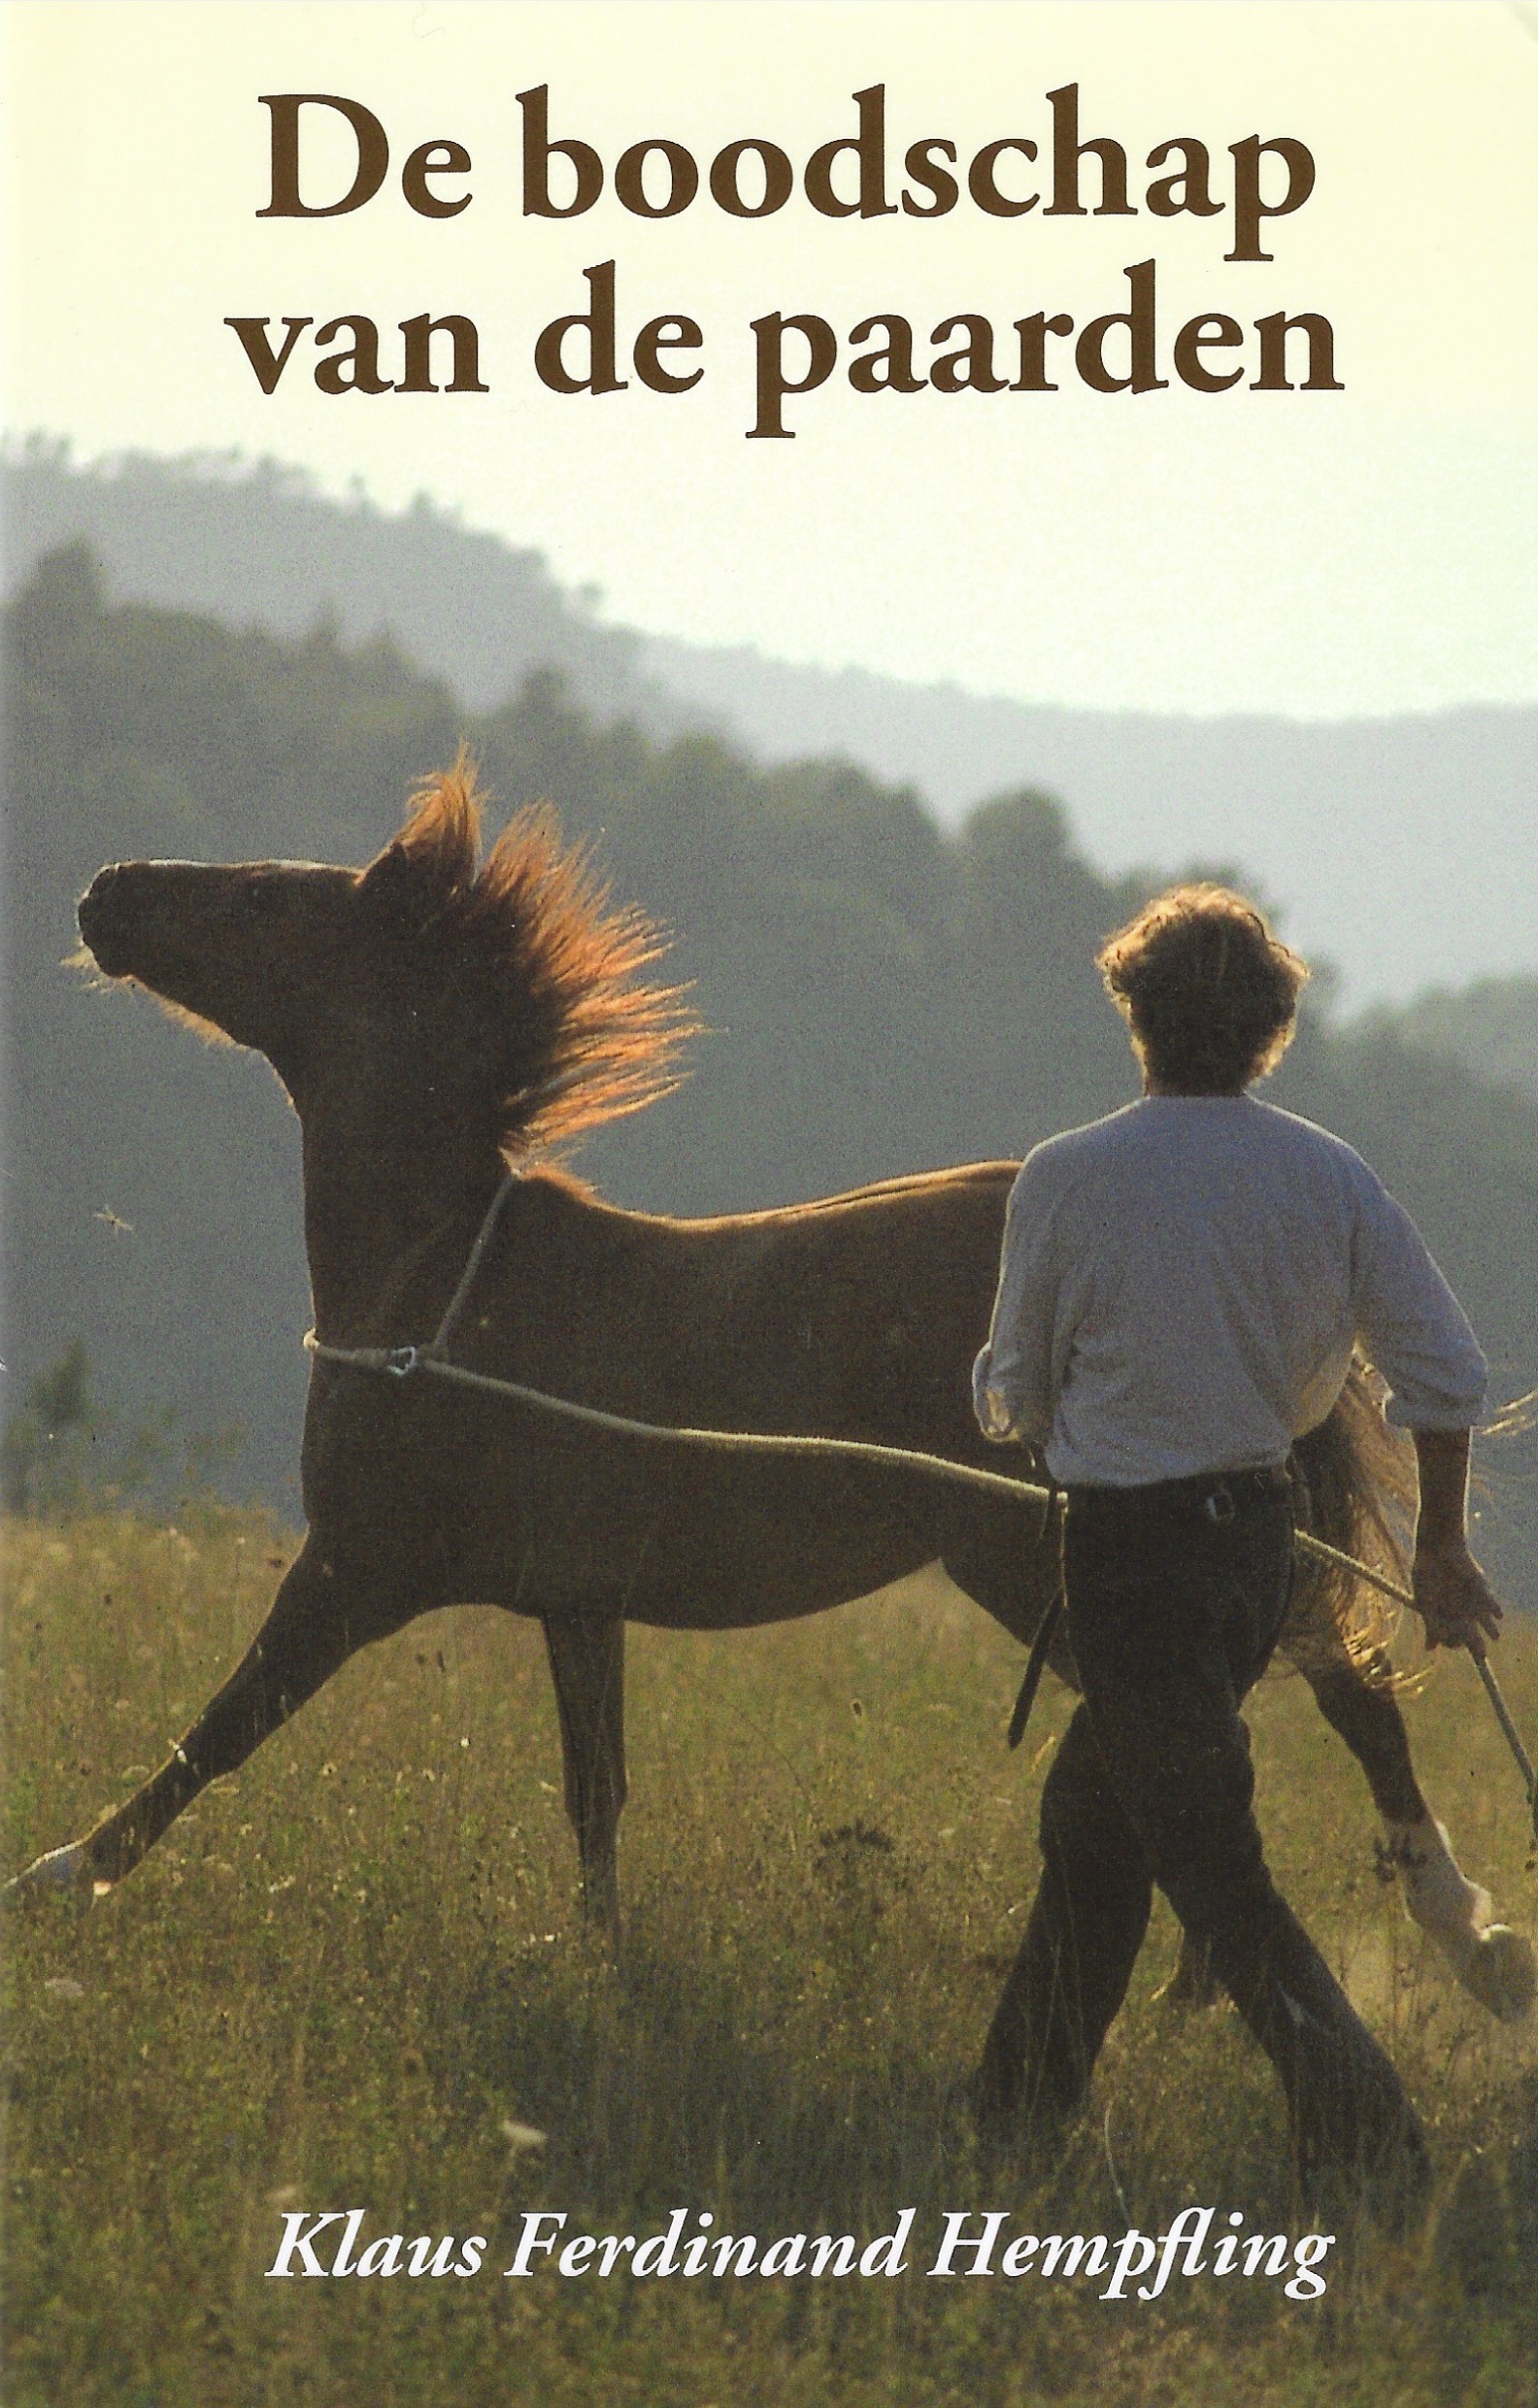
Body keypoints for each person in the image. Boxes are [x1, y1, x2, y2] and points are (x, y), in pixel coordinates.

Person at [970, 883, 1502, 2229]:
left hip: (1130, 1563)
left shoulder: (1065, 1175)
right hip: (1260, 1554)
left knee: (1213, 1873)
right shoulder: (1329, 1176)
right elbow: (1447, 1376)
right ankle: (1014, 2109)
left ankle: (1372, 2140)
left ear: (1134, 1015)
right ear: (1271, 1032)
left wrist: (1004, 1400)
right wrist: (1439, 1551)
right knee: (1092, 1824)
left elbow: (1017, 1395)